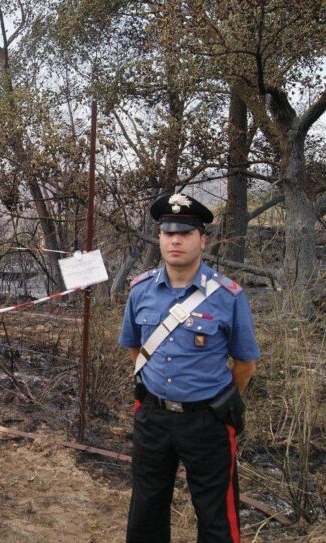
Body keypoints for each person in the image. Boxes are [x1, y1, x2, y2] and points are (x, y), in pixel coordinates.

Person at [119, 192, 260, 543]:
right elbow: (135, 347)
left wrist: (219, 403)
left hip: (207, 422)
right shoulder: (140, 291)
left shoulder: (228, 296)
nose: (175, 240)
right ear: (160, 238)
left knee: (216, 517)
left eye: (185, 232)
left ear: (203, 240)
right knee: (146, 509)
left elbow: (245, 363)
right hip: (153, 417)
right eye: (168, 233)